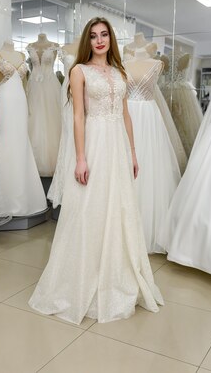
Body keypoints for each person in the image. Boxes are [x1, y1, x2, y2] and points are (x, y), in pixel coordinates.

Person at [29, 17, 163, 325]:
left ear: (110, 39)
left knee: (118, 208)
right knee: (90, 208)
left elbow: (126, 114)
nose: (99, 40)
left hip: (117, 144)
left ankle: (117, 277)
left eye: (104, 35)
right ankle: (82, 278)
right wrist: (80, 157)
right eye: (93, 36)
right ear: (87, 41)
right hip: (94, 144)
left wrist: (132, 151)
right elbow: (78, 117)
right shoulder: (79, 71)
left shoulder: (119, 72)